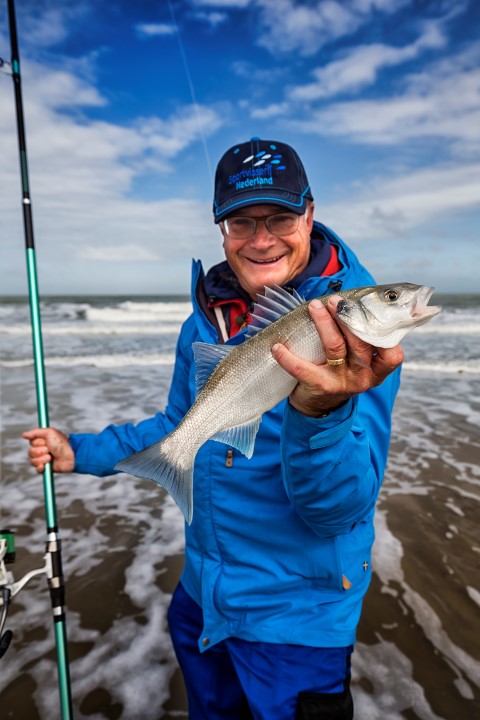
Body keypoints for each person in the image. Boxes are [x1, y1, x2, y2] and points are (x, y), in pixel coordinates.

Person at [23, 137, 404, 720]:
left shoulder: (357, 331)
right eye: (240, 221)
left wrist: (319, 413)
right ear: (219, 227)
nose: (261, 238)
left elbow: (338, 510)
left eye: (279, 216)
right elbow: (181, 426)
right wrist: (80, 451)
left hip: (293, 622)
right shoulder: (206, 313)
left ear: (309, 213)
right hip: (202, 597)